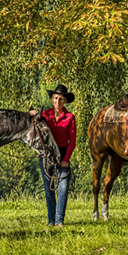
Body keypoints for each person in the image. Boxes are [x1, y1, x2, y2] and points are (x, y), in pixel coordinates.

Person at [31, 84, 76, 227]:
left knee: (62, 189)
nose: (58, 101)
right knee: (48, 189)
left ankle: (59, 221)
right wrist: (31, 114)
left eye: (61, 99)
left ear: (65, 101)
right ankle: (51, 221)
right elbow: (37, 132)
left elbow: (72, 141)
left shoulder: (70, 117)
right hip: (46, 155)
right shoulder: (45, 115)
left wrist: (66, 159)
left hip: (62, 154)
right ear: (52, 99)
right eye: (56, 98)